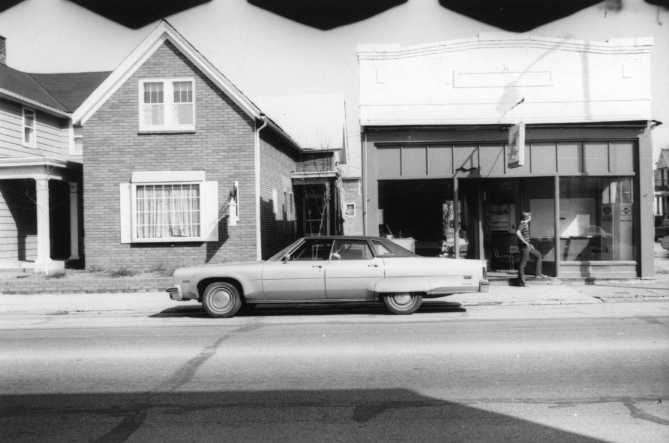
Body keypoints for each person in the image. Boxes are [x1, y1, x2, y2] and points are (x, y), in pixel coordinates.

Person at [515, 211, 545, 286]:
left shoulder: (525, 223)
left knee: (538, 255)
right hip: (524, 247)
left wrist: (530, 244)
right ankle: (522, 281)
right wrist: (525, 242)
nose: (531, 217)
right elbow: (517, 233)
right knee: (522, 264)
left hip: (528, 246)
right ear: (527, 217)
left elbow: (525, 235)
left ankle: (538, 274)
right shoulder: (523, 223)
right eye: (530, 216)